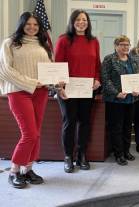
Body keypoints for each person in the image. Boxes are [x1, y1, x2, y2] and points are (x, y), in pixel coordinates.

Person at [0, 12, 52, 188]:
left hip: (41, 92)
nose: (32, 27)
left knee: (36, 133)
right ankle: (14, 171)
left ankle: (27, 169)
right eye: (28, 24)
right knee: (29, 133)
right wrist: (31, 83)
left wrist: (57, 81)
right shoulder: (10, 43)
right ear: (21, 24)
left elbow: (50, 69)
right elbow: (5, 71)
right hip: (18, 92)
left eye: (36, 25)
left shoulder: (43, 44)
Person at [55, 9, 101, 173]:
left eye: (84, 20)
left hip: (87, 90)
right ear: (72, 22)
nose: (82, 22)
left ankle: (82, 154)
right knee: (69, 122)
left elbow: (97, 65)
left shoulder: (94, 41)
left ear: (88, 23)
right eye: (78, 19)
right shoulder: (64, 40)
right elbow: (58, 65)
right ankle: (68, 156)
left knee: (85, 122)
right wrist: (60, 87)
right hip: (68, 89)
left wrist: (97, 79)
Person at [101, 35, 139, 166]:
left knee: (128, 127)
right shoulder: (109, 59)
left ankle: (126, 151)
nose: (125, 47)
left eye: (127, 44)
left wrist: (138, 89)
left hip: (130, 100)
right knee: (116, 128)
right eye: (122, 44)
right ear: (116, 46)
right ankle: (118, 154)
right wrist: (116, 93)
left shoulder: (132, 60)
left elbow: (138, 77)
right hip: (115, 100)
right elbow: (105, 80)